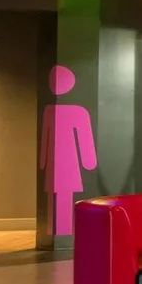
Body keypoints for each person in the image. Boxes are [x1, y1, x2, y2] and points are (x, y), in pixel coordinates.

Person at [43, 66, 97, 240]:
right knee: (60, 194)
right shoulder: (76, 112)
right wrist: (89, 162)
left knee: (60, 195)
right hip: (66, 163)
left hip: (63, 163)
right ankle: (61, 232)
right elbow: (85, 140)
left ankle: (62, 231)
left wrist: (43, 161)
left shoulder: (54, 111)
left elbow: (46, 139)